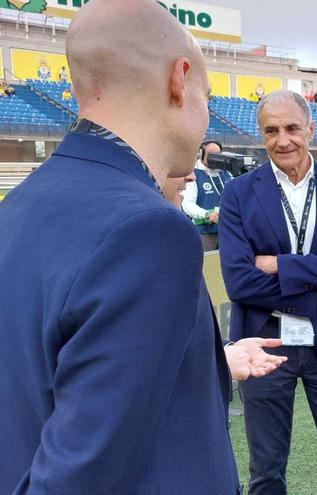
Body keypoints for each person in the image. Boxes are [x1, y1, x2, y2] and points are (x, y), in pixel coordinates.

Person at [0, 0, 286, 493]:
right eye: (207, 94)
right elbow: (82, 475)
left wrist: (214, 359)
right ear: (180, 79)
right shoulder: (150, 229)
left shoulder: (20, 204)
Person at [219, 89, 317, 495]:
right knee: (266, 473)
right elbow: (239, 281)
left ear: (310, 128)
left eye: (291, 128)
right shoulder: (238, 194)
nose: (282, 140)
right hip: (265, 344)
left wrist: (279, 265)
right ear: (260, 134)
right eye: (271, 131)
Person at [182, 140, 232, 251]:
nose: (215, 158)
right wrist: (207, 214)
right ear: (202, 154)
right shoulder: (194, 174)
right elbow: (187, 204)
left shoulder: (226, 173)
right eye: (211, 155)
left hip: (226, 231)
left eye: (217, 155)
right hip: (204, 232)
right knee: (207, 266)